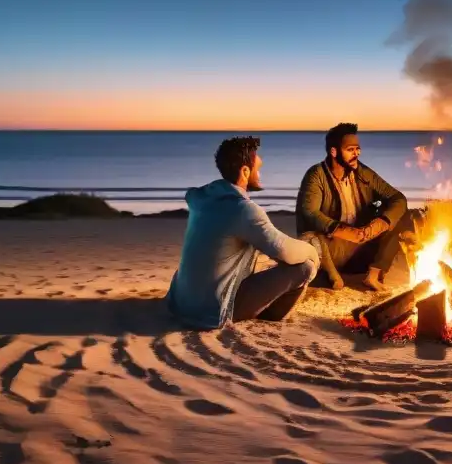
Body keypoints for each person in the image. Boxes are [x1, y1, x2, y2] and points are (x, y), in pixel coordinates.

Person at [165, 136, 320, 329]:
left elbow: (191, 194)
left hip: (179, 304)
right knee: (304, 267)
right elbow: (284, 250)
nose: (260, 174)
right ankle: (269, 317)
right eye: (258, 169)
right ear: (245, 171)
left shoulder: (202, 198)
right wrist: (312, 252)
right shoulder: (243, 209)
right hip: (212, 312)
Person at [296, 122, 413, 291]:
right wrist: (346, 232)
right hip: (332, 251)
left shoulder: (362, 172)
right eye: (350, 149)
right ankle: (331, 276)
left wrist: (381, 223)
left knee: (400, 215)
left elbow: (398, 198)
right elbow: (310, 213)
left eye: (358, 149)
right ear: (334, 152)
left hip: (362, 249)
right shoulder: (316, 175)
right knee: (311, 239)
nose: (356, 153)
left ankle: (373, 276)